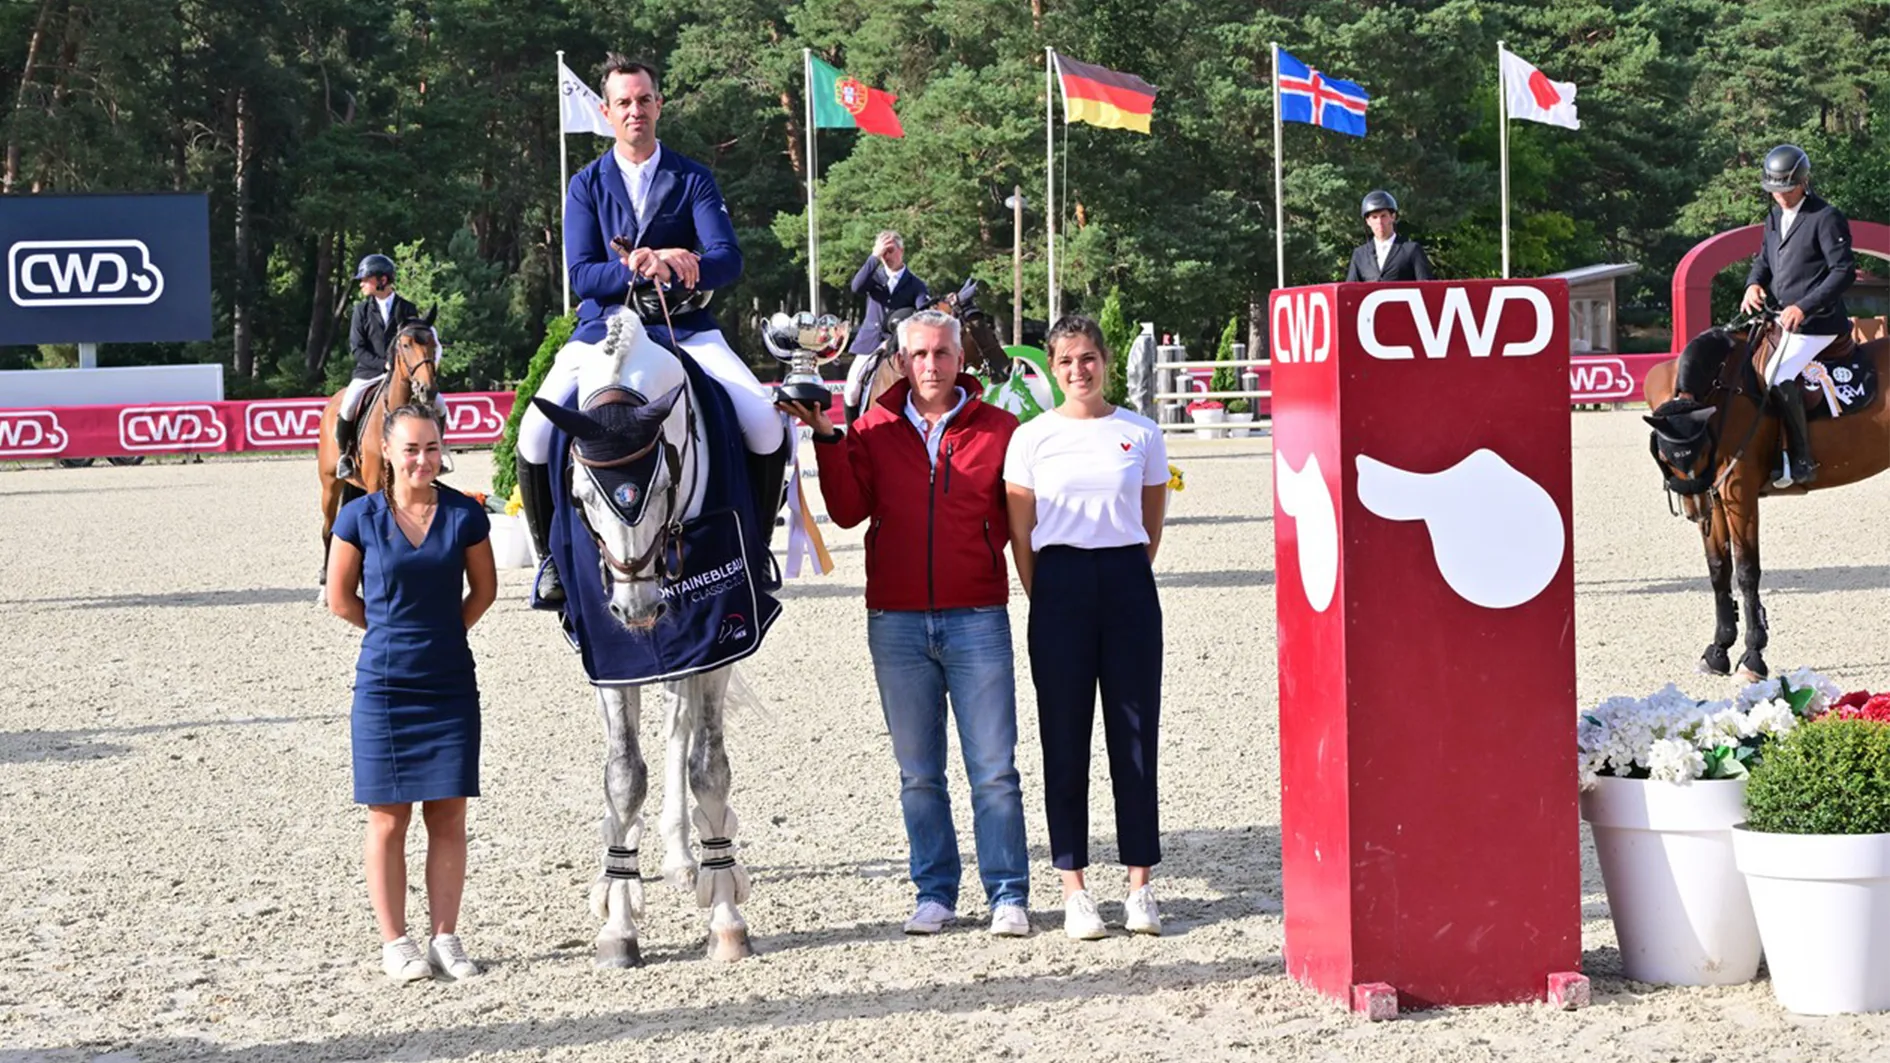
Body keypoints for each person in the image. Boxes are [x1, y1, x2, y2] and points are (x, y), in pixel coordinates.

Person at [779, 307, 1032, 939]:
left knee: (994, 770)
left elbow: (1023, 517)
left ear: (960, 358)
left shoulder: (1001, 428)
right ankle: (935, 892)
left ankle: (1007, 893)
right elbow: (846, 512)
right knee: (920, 774)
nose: (930, 366)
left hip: (977, 616)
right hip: (895, 621)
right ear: (901, 359)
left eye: (942, 354)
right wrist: (829, 441)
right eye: (918, 355)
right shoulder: (869, 428)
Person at [515, 55, 788, 604]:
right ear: (606, 111)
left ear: (659, 105)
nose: (635, 110)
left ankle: (755, 549)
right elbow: (579, 273)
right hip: (604, 330)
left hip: (685, 328)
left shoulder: (693, 178)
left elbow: (727, 259)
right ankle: (549, 561)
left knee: (764, 423)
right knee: (535, 434)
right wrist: (640, 264)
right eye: (624, 102)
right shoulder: (585, 184)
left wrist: (683, 262)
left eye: (644, 100)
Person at [1004, 314, 1168, 941]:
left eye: (1090, 358)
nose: (1080, 370)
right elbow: (1022, 531)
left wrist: (1122, 570)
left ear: (1105, 361)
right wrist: (1046, 589)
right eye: (1067, 360)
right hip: (1060, 584)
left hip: (1126, 581)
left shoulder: (1141, 432)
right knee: (1064, 739)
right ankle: (1074, 886)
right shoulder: (1032, 438)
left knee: (1134, 735)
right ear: (1053, 366)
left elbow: (1151, 521)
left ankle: (1140, 885)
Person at [326, 405, 498, 982]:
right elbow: (340, 599)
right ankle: (395, 941)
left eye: (431, 448)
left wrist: (443, 634)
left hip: (449, 682)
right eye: (410, 450)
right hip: (384, 686)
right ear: (390, 452)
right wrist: (393, 636)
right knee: (388, 820)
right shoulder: (358, 516)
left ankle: (445, 937)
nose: (422, 460)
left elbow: (484, 591)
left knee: (448, 815)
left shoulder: (465, 516)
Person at [1740, 143, 1856, 487]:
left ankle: (1802, 459)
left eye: (1786, 189)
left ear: (1803, 182)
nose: (1779, 196)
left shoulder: (1825, 216)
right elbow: (1763, 260)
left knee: (1776, 374)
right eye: (1773, 190)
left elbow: (1843, 271)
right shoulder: (1774, 217)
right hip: (1778, 318)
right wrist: (1752, 285)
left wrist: (1804, 306)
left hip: (1818, 323)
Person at [335, 254, 422, 480]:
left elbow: (415, 342)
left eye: (366, 279)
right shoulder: (361, 311)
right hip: (369, 373)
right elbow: (357, 348)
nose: (362, 283)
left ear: (382, 280)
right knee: (347, 405)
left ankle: (438, 454)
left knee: (439, 404)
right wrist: (382, 365)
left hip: (404, 375)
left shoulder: (407, 308)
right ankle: (345, 456)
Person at [843, 230, 929, 425]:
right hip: (871, 342)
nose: (887, 256)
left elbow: (924, 312)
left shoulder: (916, 284)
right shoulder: (874, 279)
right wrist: (874, 256)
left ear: (901, 251)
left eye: (890, 251)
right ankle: (853, 437)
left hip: (901, 345)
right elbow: (856, 287)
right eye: (883, 253)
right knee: (851, 392)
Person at [1344, 190, 1435, 283]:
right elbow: (1350, 290)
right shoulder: (1360, 255)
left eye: (1383, 216)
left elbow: (1426, 287)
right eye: (1374, 217)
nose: (1379, 222)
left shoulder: (1411, 250)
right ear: (1368, 221)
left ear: (1393, 216)